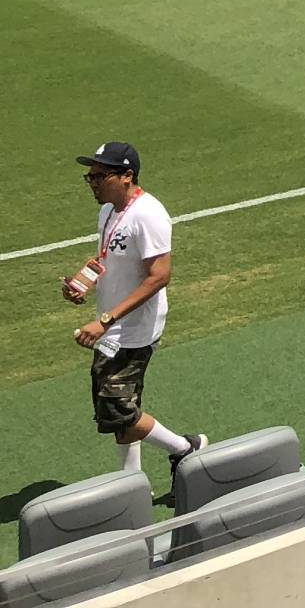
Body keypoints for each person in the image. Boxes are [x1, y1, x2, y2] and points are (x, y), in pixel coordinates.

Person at [65, 143, 203, 478]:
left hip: (133, 329)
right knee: (120, 408)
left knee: (117, 410)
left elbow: (159, 276)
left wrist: (105, 320)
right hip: (112, 325)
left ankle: (187, 448)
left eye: (101, 175)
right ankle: (132, 483)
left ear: (127, 176)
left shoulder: (149, 214)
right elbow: (109, 258)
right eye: (91, 176)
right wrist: (84, 282)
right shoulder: (108, 211)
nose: (94, 183)